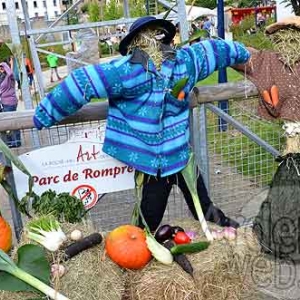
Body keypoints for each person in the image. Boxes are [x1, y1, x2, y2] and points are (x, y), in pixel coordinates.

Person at [33, 16, 250, 232]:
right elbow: (214, 51)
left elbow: (82, 82)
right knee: (172, 214)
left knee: (167, 217)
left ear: (134, 43)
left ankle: (226, 231)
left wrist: (44, 115)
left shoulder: (128, 71)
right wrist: (243, 52)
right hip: (167, 164)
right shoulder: (182, 64)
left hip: (169, 163)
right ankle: (228, 231)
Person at [0, 61, 21, 148]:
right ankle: (12, 141)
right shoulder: (2, 77)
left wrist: (3, 64)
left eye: (2, 68)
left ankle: (17, 141)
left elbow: (11, 73)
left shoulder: (10, 77)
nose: (1, 69)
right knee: (8, 123)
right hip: (4, 103)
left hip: (10, 102)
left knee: (12, 122)